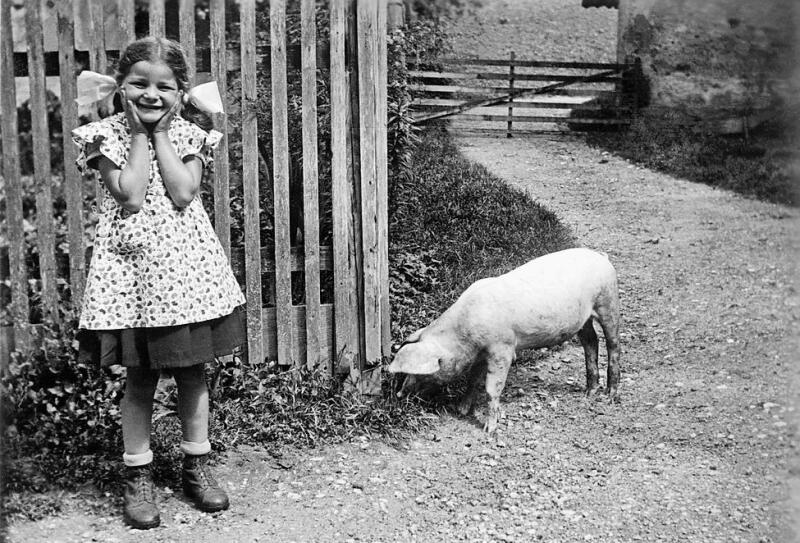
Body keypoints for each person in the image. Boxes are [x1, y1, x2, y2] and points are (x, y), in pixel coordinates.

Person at [72, 37, 246, 530]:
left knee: (193, 373)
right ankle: (139, 473)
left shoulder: (191, 135)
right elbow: (128, 195)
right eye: (139, 84)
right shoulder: (103, 136)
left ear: (180, 92)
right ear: (120, 88)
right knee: (140, 378)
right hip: (131, 282)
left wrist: (163, 135)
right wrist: (136, 135)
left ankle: (196, 464)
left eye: (164, 87)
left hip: (185, 279)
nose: (151, 95)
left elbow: (183, 191)